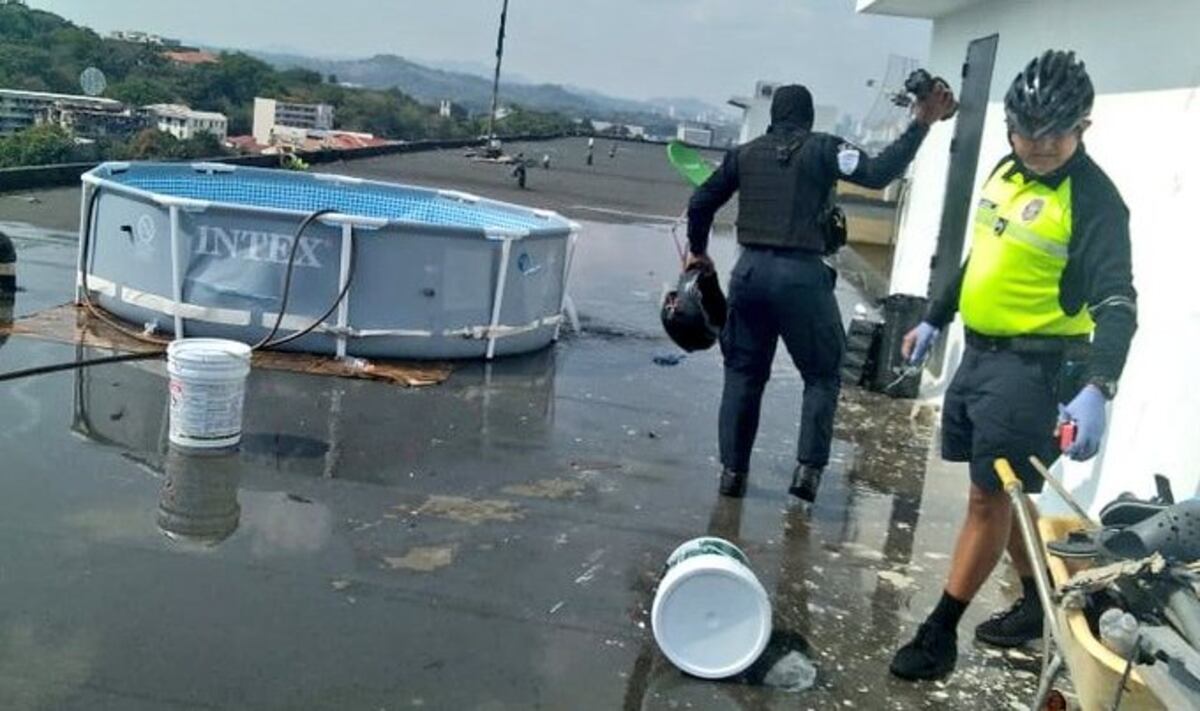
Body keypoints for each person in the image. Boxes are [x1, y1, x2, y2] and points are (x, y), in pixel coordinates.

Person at [889, 50, 1137, 681]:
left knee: (986, 498)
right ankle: (1034, 603)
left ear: (1084, 125)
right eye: (1026, 130)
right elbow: (982, 256)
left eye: (1054, 132)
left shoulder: (1097, 201)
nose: (1039, 145)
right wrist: (936, 317)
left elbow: (1117, 302)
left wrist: (1098, 386)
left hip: (1035, 371)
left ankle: (939, 632)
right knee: (1010, 496)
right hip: (978, 357)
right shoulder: (1006, 166)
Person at [685, 82, 957, 501]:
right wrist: (921, 124)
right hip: (802, 279)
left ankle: (732, 475)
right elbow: (880, 172)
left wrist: (699, 254)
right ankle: (807, 474)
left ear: (773, 116)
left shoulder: (744, 154)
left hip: (751, 275)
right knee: (821, 376)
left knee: (743, 376)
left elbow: (701, 203)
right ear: (809, 119)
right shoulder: (826, 149)